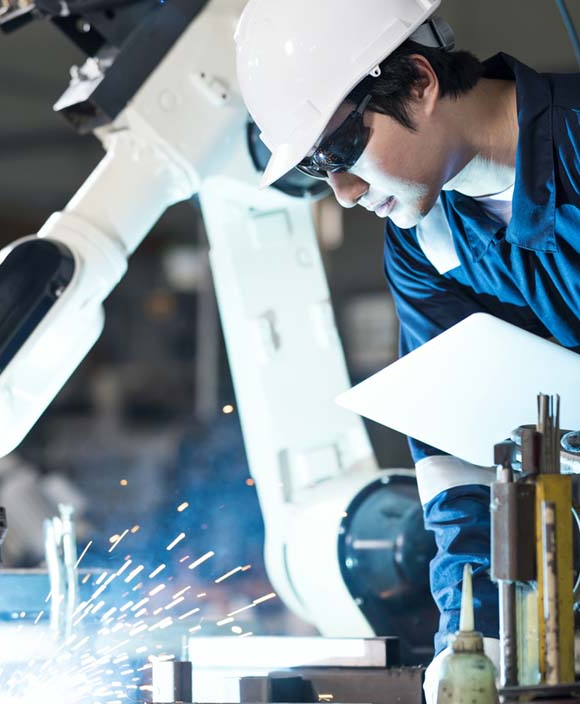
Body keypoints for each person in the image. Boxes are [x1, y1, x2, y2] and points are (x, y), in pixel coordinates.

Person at [235, 0, 580, 698]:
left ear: (419, 82)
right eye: (316, 170)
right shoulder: (425, 245)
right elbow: (462, 466)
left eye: (340, 152)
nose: (345, 191)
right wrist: (470, 643)